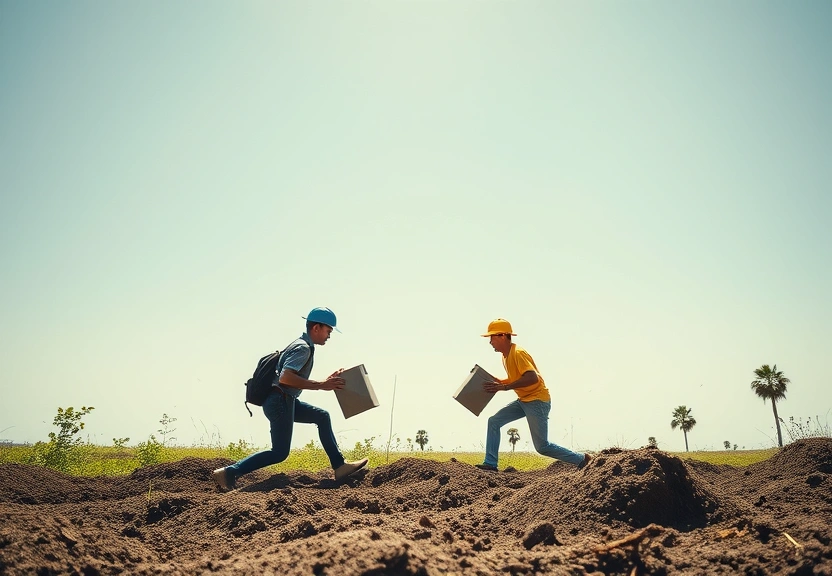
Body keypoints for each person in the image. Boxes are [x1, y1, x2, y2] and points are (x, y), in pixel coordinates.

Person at [213, 307, 368, 490]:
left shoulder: (302, 345)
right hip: (280, 401)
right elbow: (285, 377)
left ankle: (339, 466)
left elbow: (291, 377)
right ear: (316, 328)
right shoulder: (303, 348)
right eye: (328, 331)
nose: (329, 336)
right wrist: (320, 385)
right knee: (279, 452)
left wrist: (325, 381)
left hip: (284, 400)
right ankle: (230, 472)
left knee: (322, 416)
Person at [475, 318, 590, 471]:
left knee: (542, 447)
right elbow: (518, 378)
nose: (490, 342)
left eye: (492, 337)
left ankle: (583, 459)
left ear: (503, 336)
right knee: (494, 421)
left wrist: (506, 387)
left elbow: (532, 377)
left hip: (537, 401)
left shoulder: (518, 353)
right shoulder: (506, 356)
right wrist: (498, 382)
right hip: (523, 400)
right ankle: (490, 463)